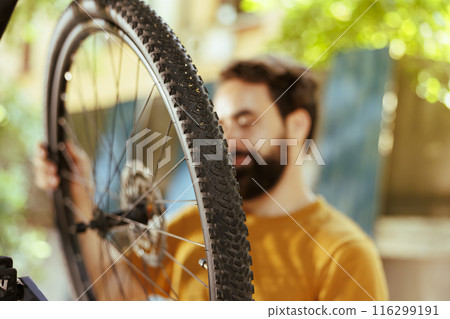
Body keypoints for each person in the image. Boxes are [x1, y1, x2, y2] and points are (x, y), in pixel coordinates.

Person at [34, 55, 388, 301]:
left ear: (296, 126)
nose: (225, 140)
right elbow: (113, 291)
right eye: (220, 123)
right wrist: (79, 197)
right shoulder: (193, 225)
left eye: (246, 121)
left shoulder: (345, 254)